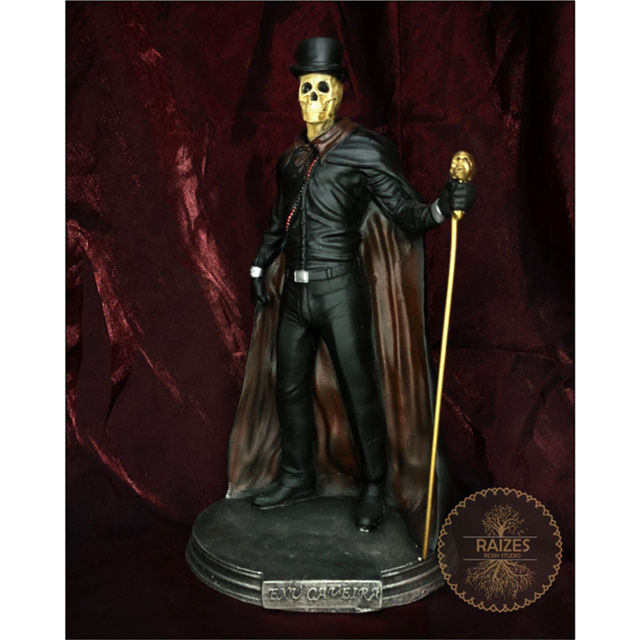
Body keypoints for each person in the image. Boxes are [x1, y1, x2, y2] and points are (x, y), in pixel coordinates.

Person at [246, 37, 475, 532]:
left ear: (339, 92)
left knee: (358, 388)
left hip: (339, 290)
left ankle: (374, 485)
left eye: (321, 87)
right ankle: (296, 475)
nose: (312, 98)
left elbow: (407, 213)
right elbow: (278, 221)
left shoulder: (364, 149)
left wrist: (444, 205)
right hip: (295, 296)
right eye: (305, 88)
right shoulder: (292, 159)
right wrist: (259, 267)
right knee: (288, 386)